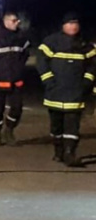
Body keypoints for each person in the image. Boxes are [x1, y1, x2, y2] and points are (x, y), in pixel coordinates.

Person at [37, 13, 96, 167]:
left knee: (73, 125)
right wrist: (48, 80)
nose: (73, 26)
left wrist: (87, 81)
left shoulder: (84, 45)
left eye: (76, 23)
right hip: (55, 92)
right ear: (63, 25)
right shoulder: (52, 42)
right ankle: (58, 150)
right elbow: (41, 61)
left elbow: (92, 65)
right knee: (56, 126)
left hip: (75, 92)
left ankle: (70, 153)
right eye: (70, 23)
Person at [0, 9, 30, 145]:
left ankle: (9, 130)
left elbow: (25, 55)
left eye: (18, 21)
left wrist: (19, 69)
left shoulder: (21, 39)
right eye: (14, 21)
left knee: (17, 108)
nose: (17, 23)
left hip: (16, 81)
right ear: (6, 22)